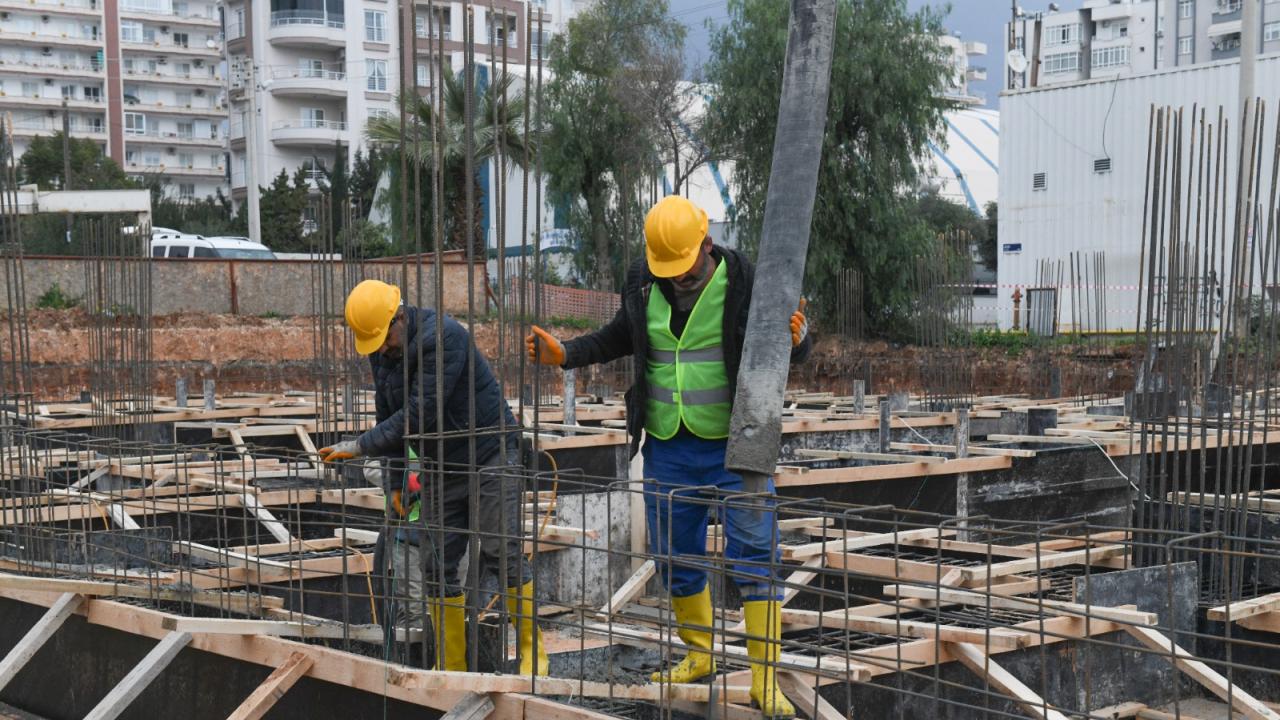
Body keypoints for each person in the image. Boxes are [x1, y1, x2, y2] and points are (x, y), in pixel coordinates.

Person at [526, 196, 809, 717]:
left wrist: (800, 338)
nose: (676, 278)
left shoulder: (745, 280)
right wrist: (566, 354)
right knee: (676, 555)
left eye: (684, 266)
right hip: (667, 445)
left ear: (706, 245)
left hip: (736, 444)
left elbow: (783, 342)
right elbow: (619, 338)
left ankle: (764, 679)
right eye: (668, 270)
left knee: (754, 557)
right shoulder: (643, 281)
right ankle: (700, 656)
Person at [320, 279, 547, 676]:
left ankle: (533, 657)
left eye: (384, 340)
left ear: (400, 318)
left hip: (489, 450)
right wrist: (394, 484)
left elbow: (416, 415)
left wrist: (358, 446)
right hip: (441, 462)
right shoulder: (383, 350)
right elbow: (387, 416)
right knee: (436, 562)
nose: (382, 350)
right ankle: (452, 665)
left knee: (500, 549)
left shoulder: (444, 339)